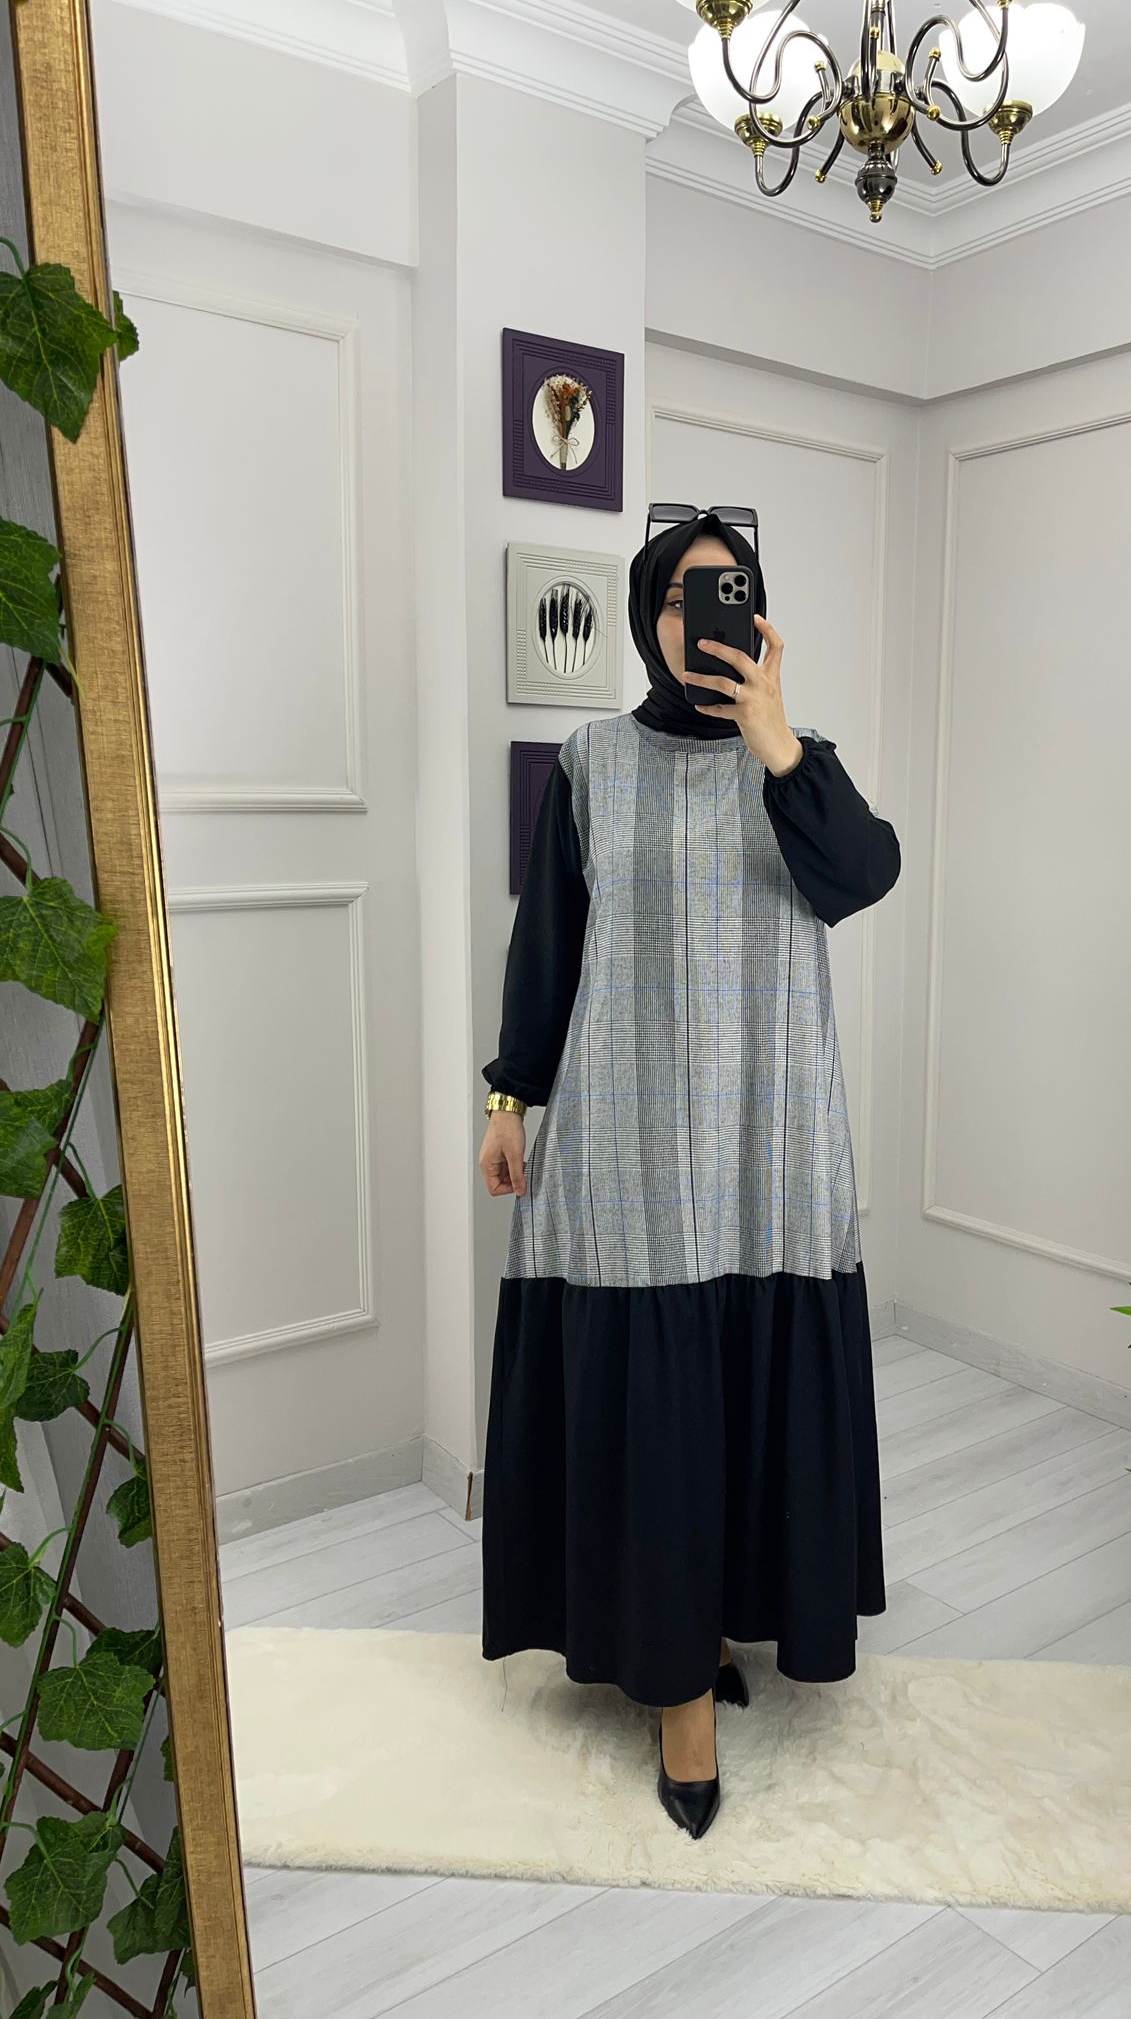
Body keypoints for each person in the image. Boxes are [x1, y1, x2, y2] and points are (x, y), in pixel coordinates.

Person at [476, 506, 901, 1840]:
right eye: (677, 595)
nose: (698, 617)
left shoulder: (802, 763)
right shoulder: (590, 763)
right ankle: (678, 1698)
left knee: (741, 1389)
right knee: (657, 1409)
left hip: (769, 1140)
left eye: (726, 592)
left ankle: (715, 1621)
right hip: (629, 1135)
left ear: (757, 615)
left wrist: (777, 744)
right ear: (647, 615)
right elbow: (548, 945)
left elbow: (864, 877)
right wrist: (509, 1096)